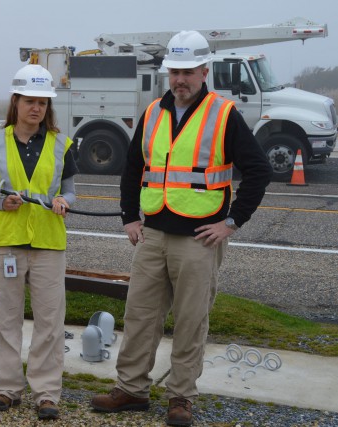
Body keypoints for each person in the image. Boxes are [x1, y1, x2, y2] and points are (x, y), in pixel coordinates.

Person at [90, 31, 272, 426]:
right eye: (174, 72)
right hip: (153, 232)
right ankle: (132, 389)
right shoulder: (154, 111)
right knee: (139, 315)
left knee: (190, 321)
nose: (180, 80)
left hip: (199, 239)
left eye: (188, 72)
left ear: (205, 71)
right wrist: (129, 217)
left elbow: (259, 171)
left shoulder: (223, 115)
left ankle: (181, 398)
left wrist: (231, 222)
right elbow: (133, 169)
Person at [0, 64, 78, 421]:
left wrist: (65, 202)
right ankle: (7, 388)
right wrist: (1, 203)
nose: (37, 108)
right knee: (6, 320)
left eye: (43, 103)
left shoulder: (62, 144)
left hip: (48, 244)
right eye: (30, 101)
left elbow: (71, 191)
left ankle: (47, 392)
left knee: (50, 321)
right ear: (15, 102)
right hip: (6, 244)